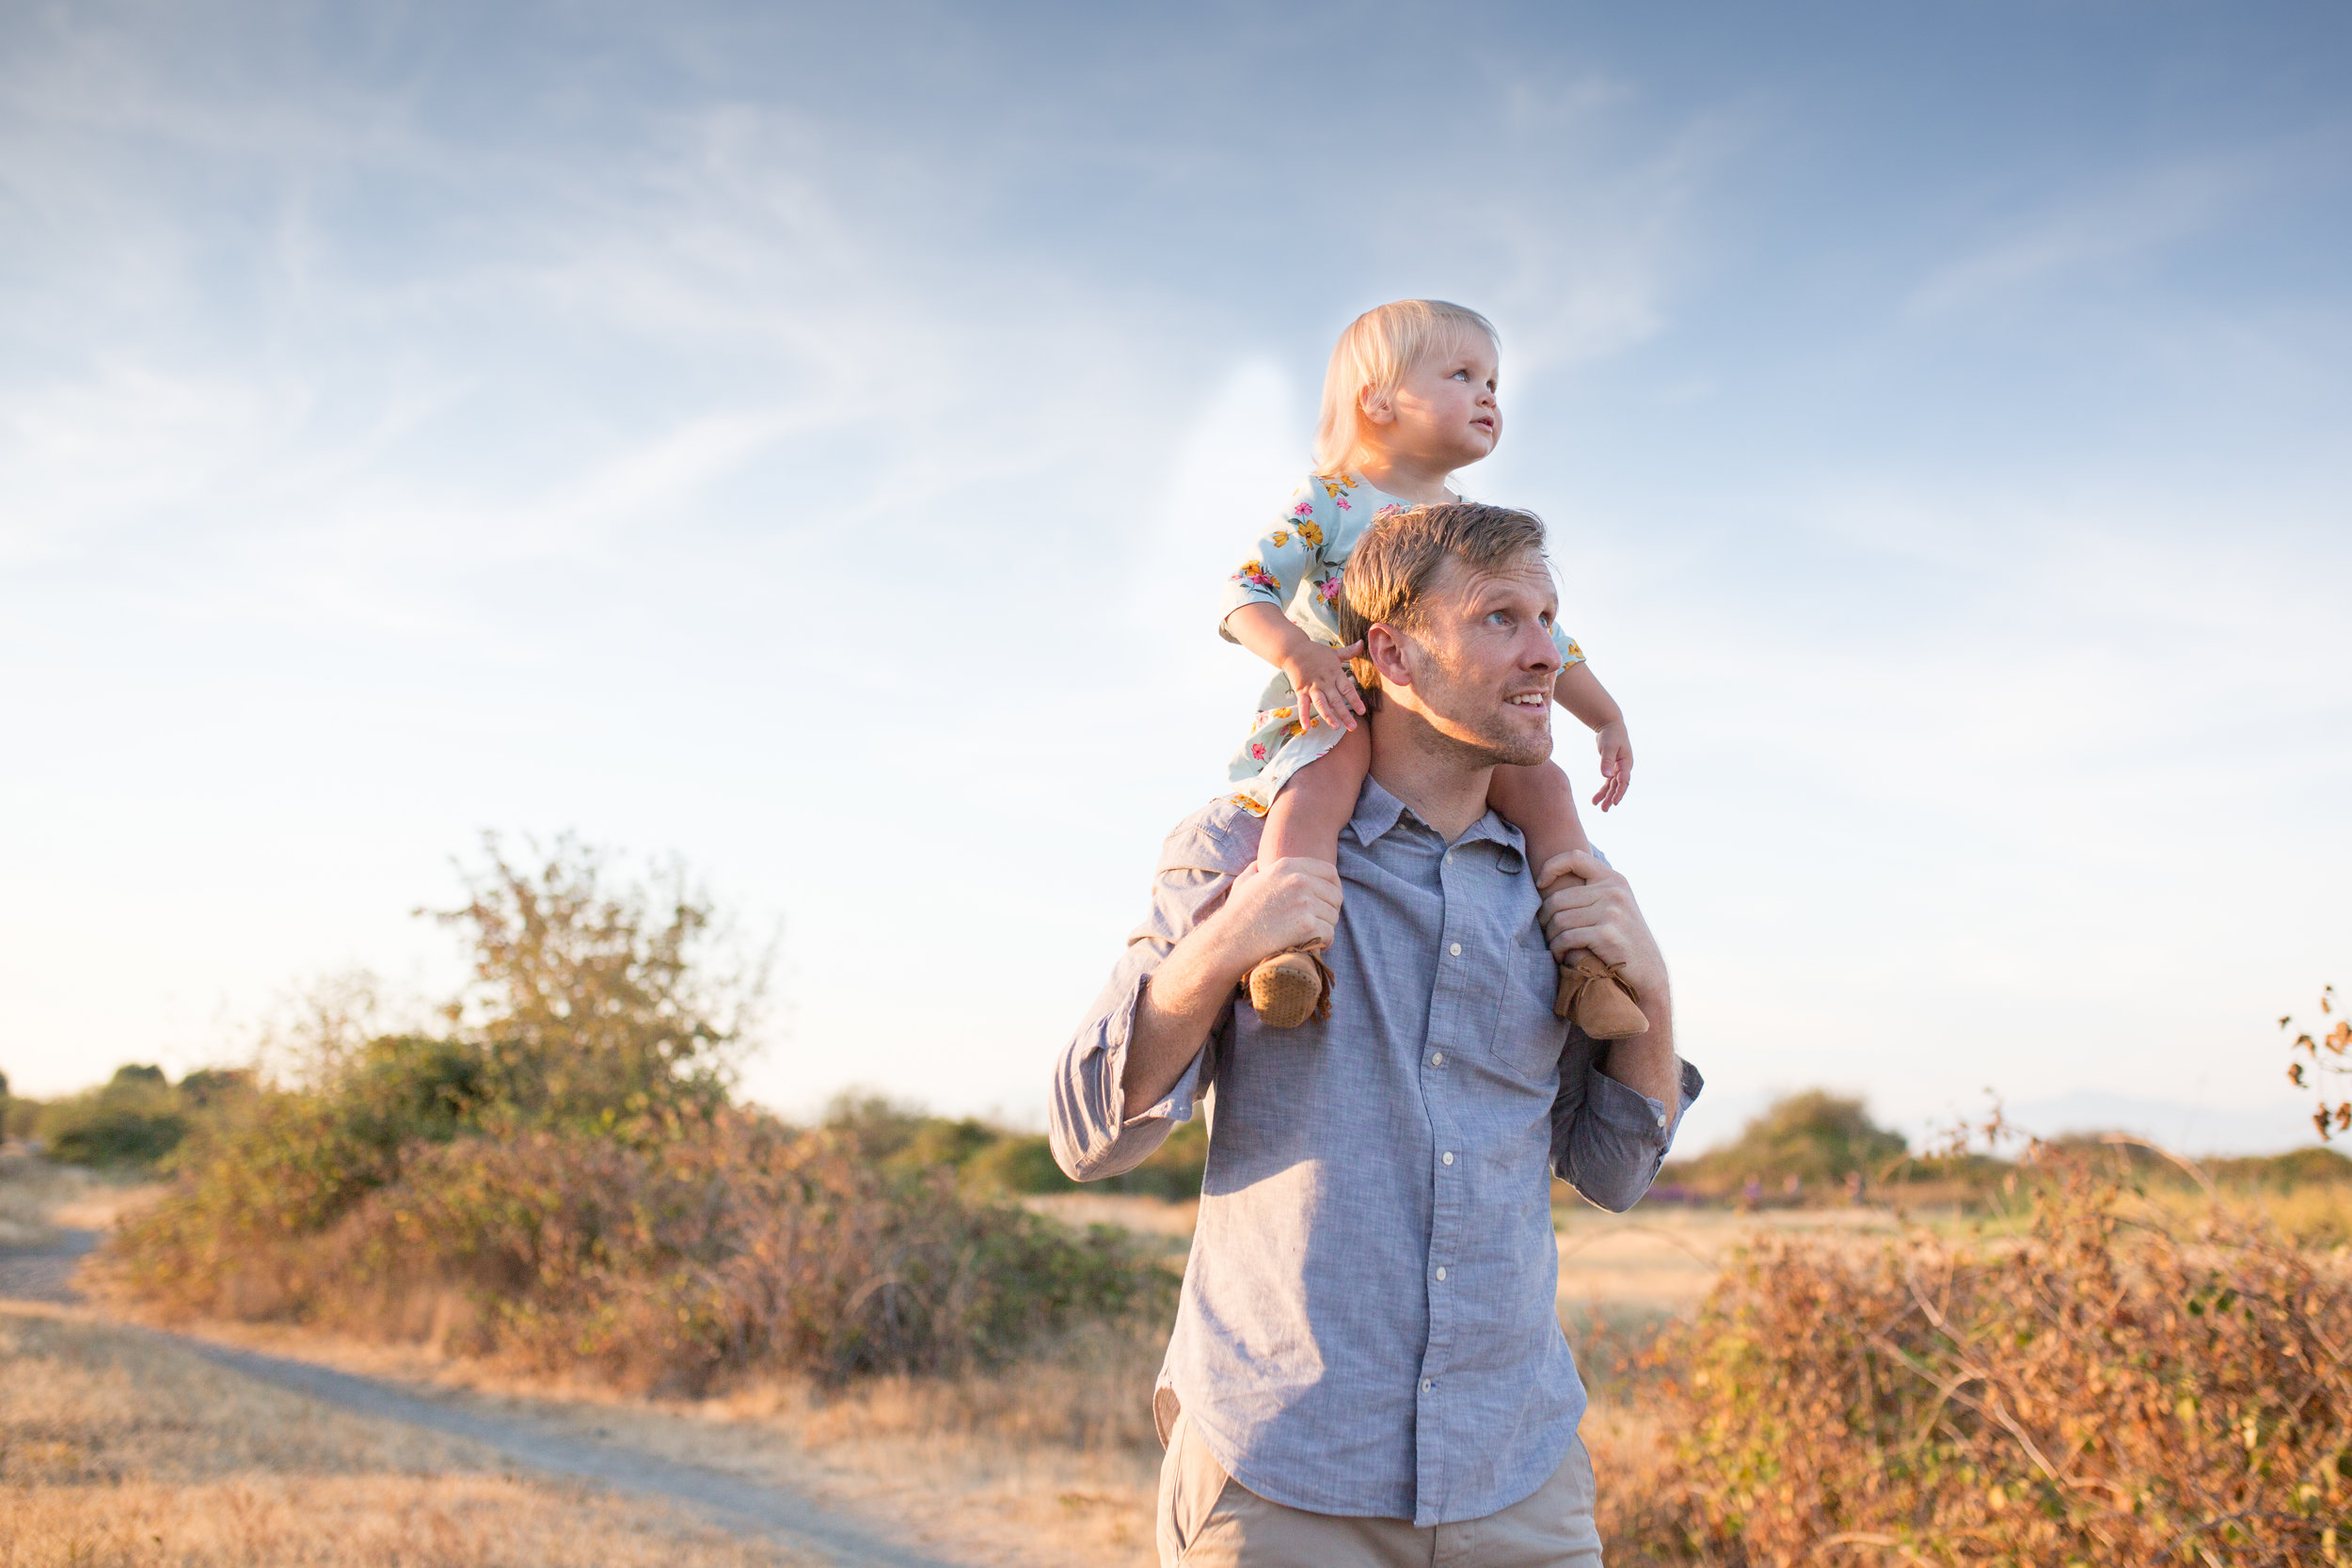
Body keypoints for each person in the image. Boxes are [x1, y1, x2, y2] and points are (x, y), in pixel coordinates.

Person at [1050, 500, 1703, 1567]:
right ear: (1391, 651)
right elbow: (1087, 1133)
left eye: (1549, 616)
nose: (1545, 652)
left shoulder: (1562, 883)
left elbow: (1613, 1171)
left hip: (1517, 1481)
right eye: (1500, 617)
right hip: (1281, 1477)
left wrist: (1654, 990)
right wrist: (1221, 950)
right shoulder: (1239, 845)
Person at [1216, 300, 1645, 1040]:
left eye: (1494, 382)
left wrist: (1604, 716)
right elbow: (1244, 592)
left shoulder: (1466, 528)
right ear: (1378, 400)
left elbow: (1551, 640)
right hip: (1350, 698)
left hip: (1454, 718)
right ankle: (1291, 950)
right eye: (1463, 374)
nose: (1488, 395)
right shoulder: (1333, 500)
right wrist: (1303, 655)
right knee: (1317, 784)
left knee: (1545, 786)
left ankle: (1588, 964)